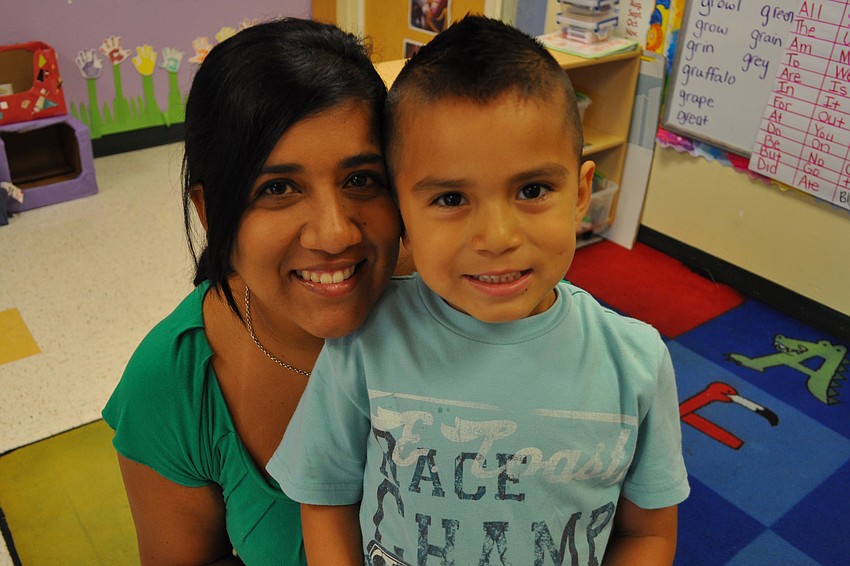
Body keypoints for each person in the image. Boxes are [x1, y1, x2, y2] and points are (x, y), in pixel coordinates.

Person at [270, 15, 690, 566]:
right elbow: (326, 501)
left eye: (533, 189)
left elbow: (648, 534)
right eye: (450, 199)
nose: (497, 238)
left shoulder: (635, 363)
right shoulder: (365, 341)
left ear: (582, 193)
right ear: (401, 214)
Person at [102, 18, 402, 565]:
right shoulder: (175, 386)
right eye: (279, 188)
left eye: (361, 178)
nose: (336, 232)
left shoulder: (466, 298)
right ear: (211, 213)